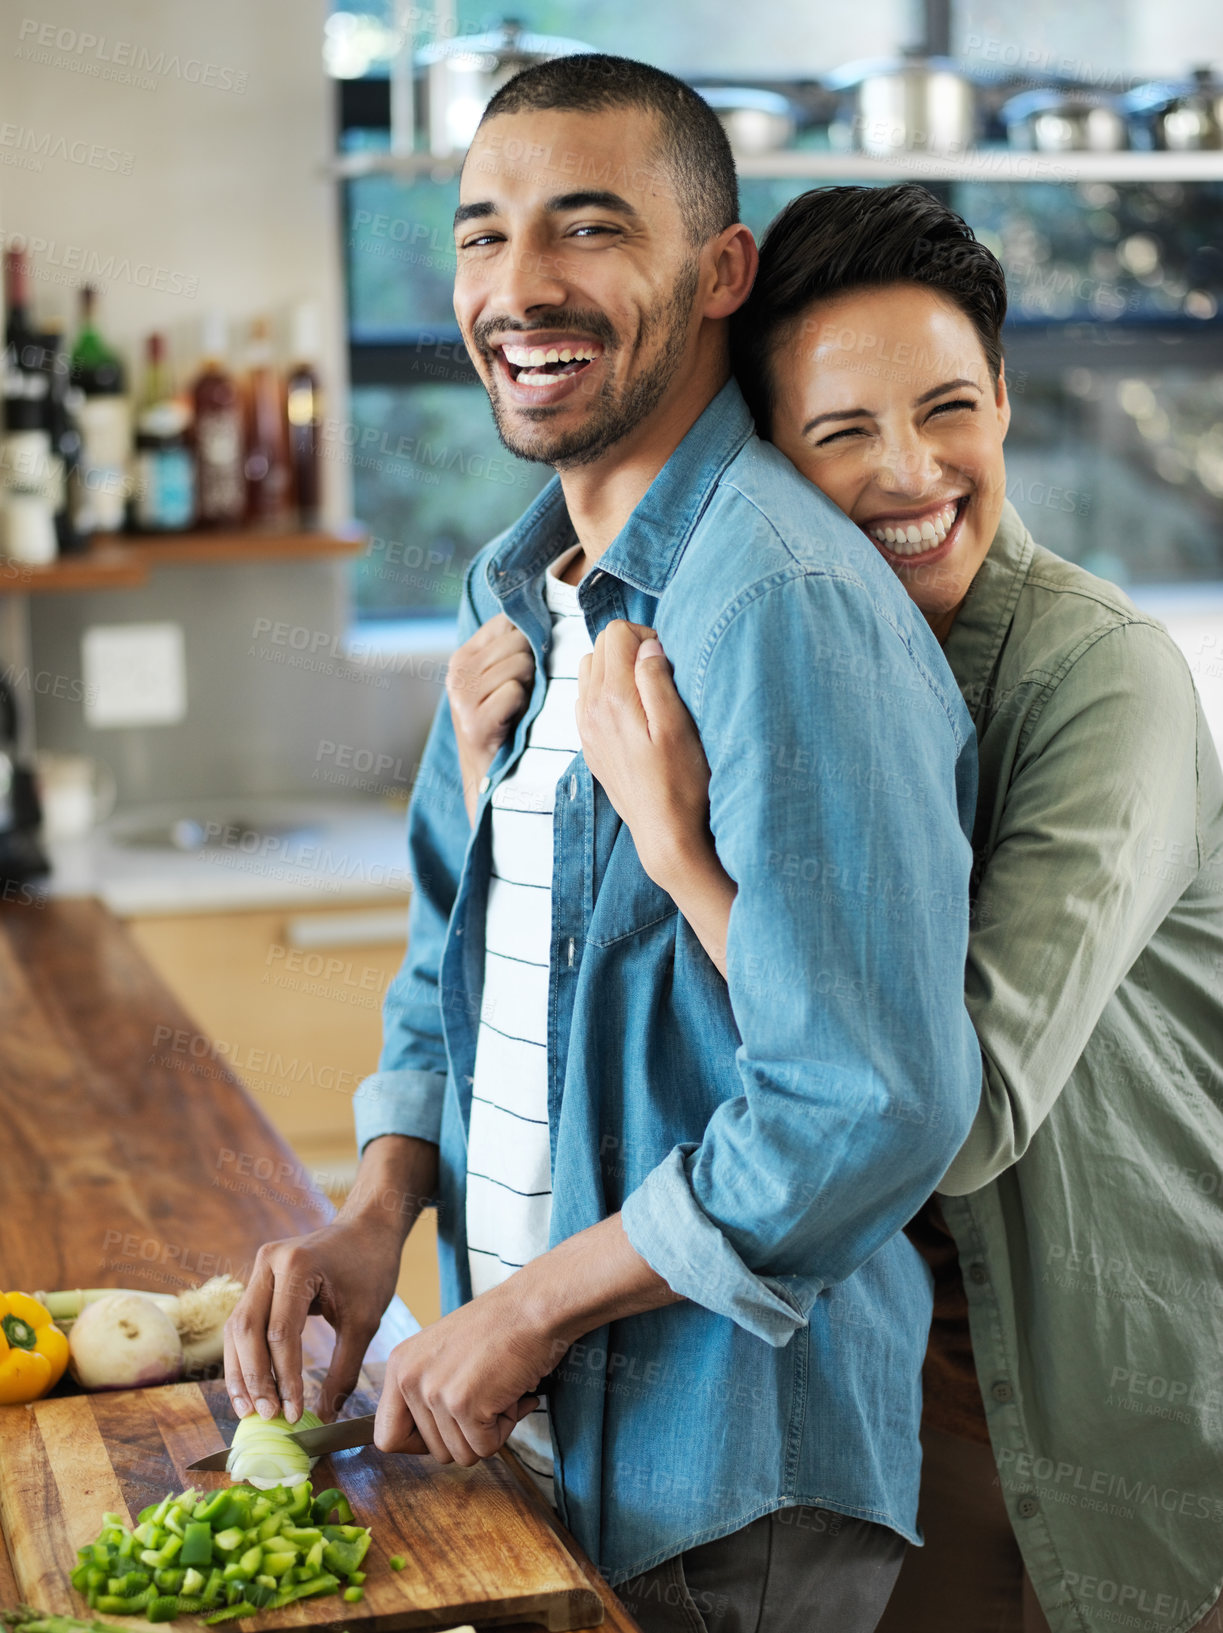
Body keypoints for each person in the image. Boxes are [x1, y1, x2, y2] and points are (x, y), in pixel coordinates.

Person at [224, 62, 984, 1633]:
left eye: (586, 229)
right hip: (543, 1434)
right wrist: (381, 1213)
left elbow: (873, 1102)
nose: (519, 289)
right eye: (482, 236)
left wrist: (523, 1310)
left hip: (725, 1477)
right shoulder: (519, 596)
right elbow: (450, 962)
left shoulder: (774, 603)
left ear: (720, 274)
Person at [567, 183, 1223, 1633]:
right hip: (882, 1384)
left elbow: (952, 1106)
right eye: (843, 431)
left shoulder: (1100, 679)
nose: (914, 471)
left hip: (1089, 1396)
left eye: (949, 410)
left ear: (1002, 397)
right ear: (770, 456)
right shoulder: (782, 649)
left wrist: (683, 856)